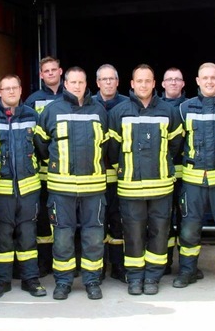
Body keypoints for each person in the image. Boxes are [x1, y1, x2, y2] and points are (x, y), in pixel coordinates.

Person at [34, 67, 109, 301]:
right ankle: (64, 282)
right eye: (73, 82)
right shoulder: (51, 110)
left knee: (94, 236)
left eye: (81, 82)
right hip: (61, 187)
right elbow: (41, 145)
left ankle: (92, 280)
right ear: (65, 84)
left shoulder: (99, 110)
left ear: (87, 84)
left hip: (93, 187)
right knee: (63, 237)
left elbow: (105, 146)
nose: (77, 86)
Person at [108, 64, 183, 296]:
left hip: (161, 186)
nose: (143, 85)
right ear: (132, 84)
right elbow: (112, 150)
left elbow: (175, 145)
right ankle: (135, 278)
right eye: (138, 81)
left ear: (154, 83)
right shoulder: (118, 112)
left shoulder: (168, 112)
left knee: (159, 233)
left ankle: (152, 277)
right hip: (130, 187)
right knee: (133, 234)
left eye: (147, 81)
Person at [0, 75, 47, 299]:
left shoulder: (33, 115)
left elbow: (41, 149)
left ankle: (31, 279)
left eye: (14, 88)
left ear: (21, 90)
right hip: (1, 188)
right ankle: (1, 281)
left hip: (28, 188)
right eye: (6, 88)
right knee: (2, 236)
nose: (11, 92)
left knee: (28, 235)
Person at [176, 63, 215, 289]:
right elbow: (175, 144)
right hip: (193, 181)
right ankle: (187, 271)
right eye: (205, 78)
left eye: (213, 78)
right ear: (197, 81)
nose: (209, 82)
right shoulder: (185, 108)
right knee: (189, 229)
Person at [25, 56, 65, 276]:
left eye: (53, 69)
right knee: (42, 219)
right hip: (42, 170)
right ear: (41, 75)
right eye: (46, 71)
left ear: (61, 71)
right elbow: (34, 137)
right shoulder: (33, 100)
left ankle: (70, 260)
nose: (50, 73)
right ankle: (44, 263)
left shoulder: (71, 97)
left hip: (66, 173)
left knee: (67, 219)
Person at [92, 64, 129, 283]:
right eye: (103, 79)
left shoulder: (127, 104)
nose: (107, 82)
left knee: (118, 222)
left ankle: (118, 266)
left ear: (117, 81)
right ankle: (97, 268)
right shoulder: (88, 105)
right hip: (95, 176)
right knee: (96, 223)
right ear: (97, 83)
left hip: (119, 175)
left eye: (111, 79)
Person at [159, 67, 186, 276]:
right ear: (162, 84)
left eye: (178, 79)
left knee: (186, 221)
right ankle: (165, 263)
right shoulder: (156, 107)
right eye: (170, 79)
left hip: (185, 174)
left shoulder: (190, 107)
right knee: (164, 221)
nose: (174, 83)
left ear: (184, 83)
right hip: (163, 174)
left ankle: (186, 266)